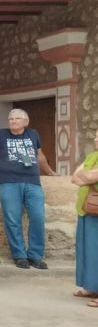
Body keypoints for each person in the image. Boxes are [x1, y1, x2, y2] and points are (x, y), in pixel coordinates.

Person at [0, 108, 56, 269]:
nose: (13, 121)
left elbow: (39, 156)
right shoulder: (0, 135)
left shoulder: (32, 134)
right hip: (9, 182)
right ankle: (19, 255)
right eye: (11, 119)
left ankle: (35, 256)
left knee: (38, 217)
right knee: (13, 220)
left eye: (17, 118)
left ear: (25, 122)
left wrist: (49, 172)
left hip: (33, 182)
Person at [72, 130, 98, 306]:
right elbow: (75, 177)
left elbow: (86, 177)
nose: (95, 139)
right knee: (89, 251)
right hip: (87, 209)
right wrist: (86, 176)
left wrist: (86, 176)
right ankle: (92, 287)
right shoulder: (93, 156)